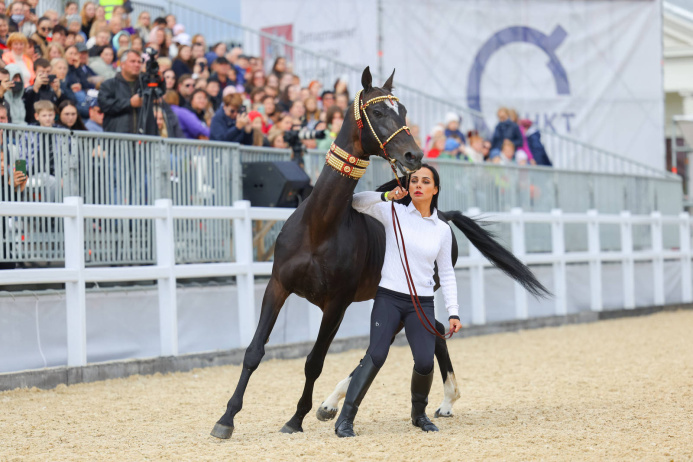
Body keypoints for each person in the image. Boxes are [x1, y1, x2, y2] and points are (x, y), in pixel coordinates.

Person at [334, 164, 462, 438]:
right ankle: (345, 419)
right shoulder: (394, 212)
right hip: (389, 298)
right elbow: (356, 203)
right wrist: (386, 196)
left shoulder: (442, 229)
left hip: (423, 302)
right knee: (376, 355)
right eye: (414, 180)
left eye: (425, 181)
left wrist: (453, 312)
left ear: (435, 189)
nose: (418, 185)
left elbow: (447, 273)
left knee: (426, 362)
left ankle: (418, 415)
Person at [97, 48, 141, 133]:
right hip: (117, 141)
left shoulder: (144, 86)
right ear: (122, 64)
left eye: (139, 62)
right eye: (133, 61)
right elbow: (104, 106)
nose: (137, 64)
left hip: (142, 141)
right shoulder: (108, 85)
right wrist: (129, 103)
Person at [23, 57, 67, 123]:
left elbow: (63, 109)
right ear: (35, 72)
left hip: (53, 125)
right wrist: (35, 90)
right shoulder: (28, 90)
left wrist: (58, 92)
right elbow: (27, 111)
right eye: (42, 72)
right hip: (33, 126)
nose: (45, 75)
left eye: (48, 72)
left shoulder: (54, 89)